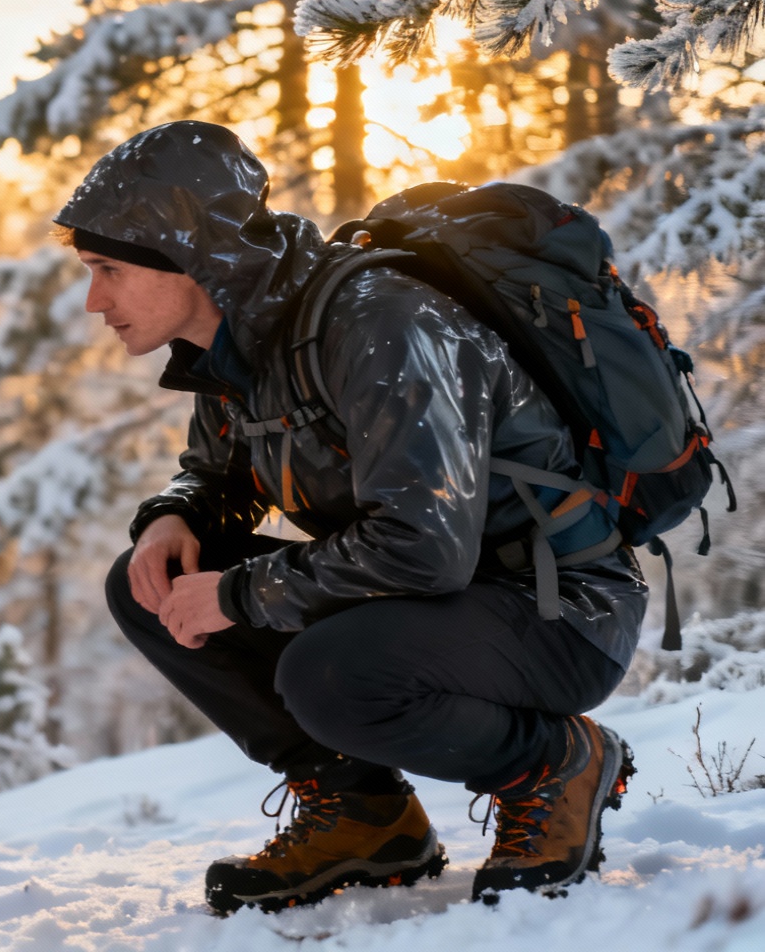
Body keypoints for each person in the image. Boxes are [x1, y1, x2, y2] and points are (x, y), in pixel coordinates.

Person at [64, 121, 646, 914]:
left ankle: (553, 764)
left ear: (187, 257)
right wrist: (177, 516)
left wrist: (235, 596)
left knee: (332, 673)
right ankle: (365, 815)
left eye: (108, 270)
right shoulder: (243, 342)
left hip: (558, 608)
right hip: (433, 604)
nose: (95, 300)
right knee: (152, 583)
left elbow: (422, 545)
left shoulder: (378, 324)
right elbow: (222, 473)